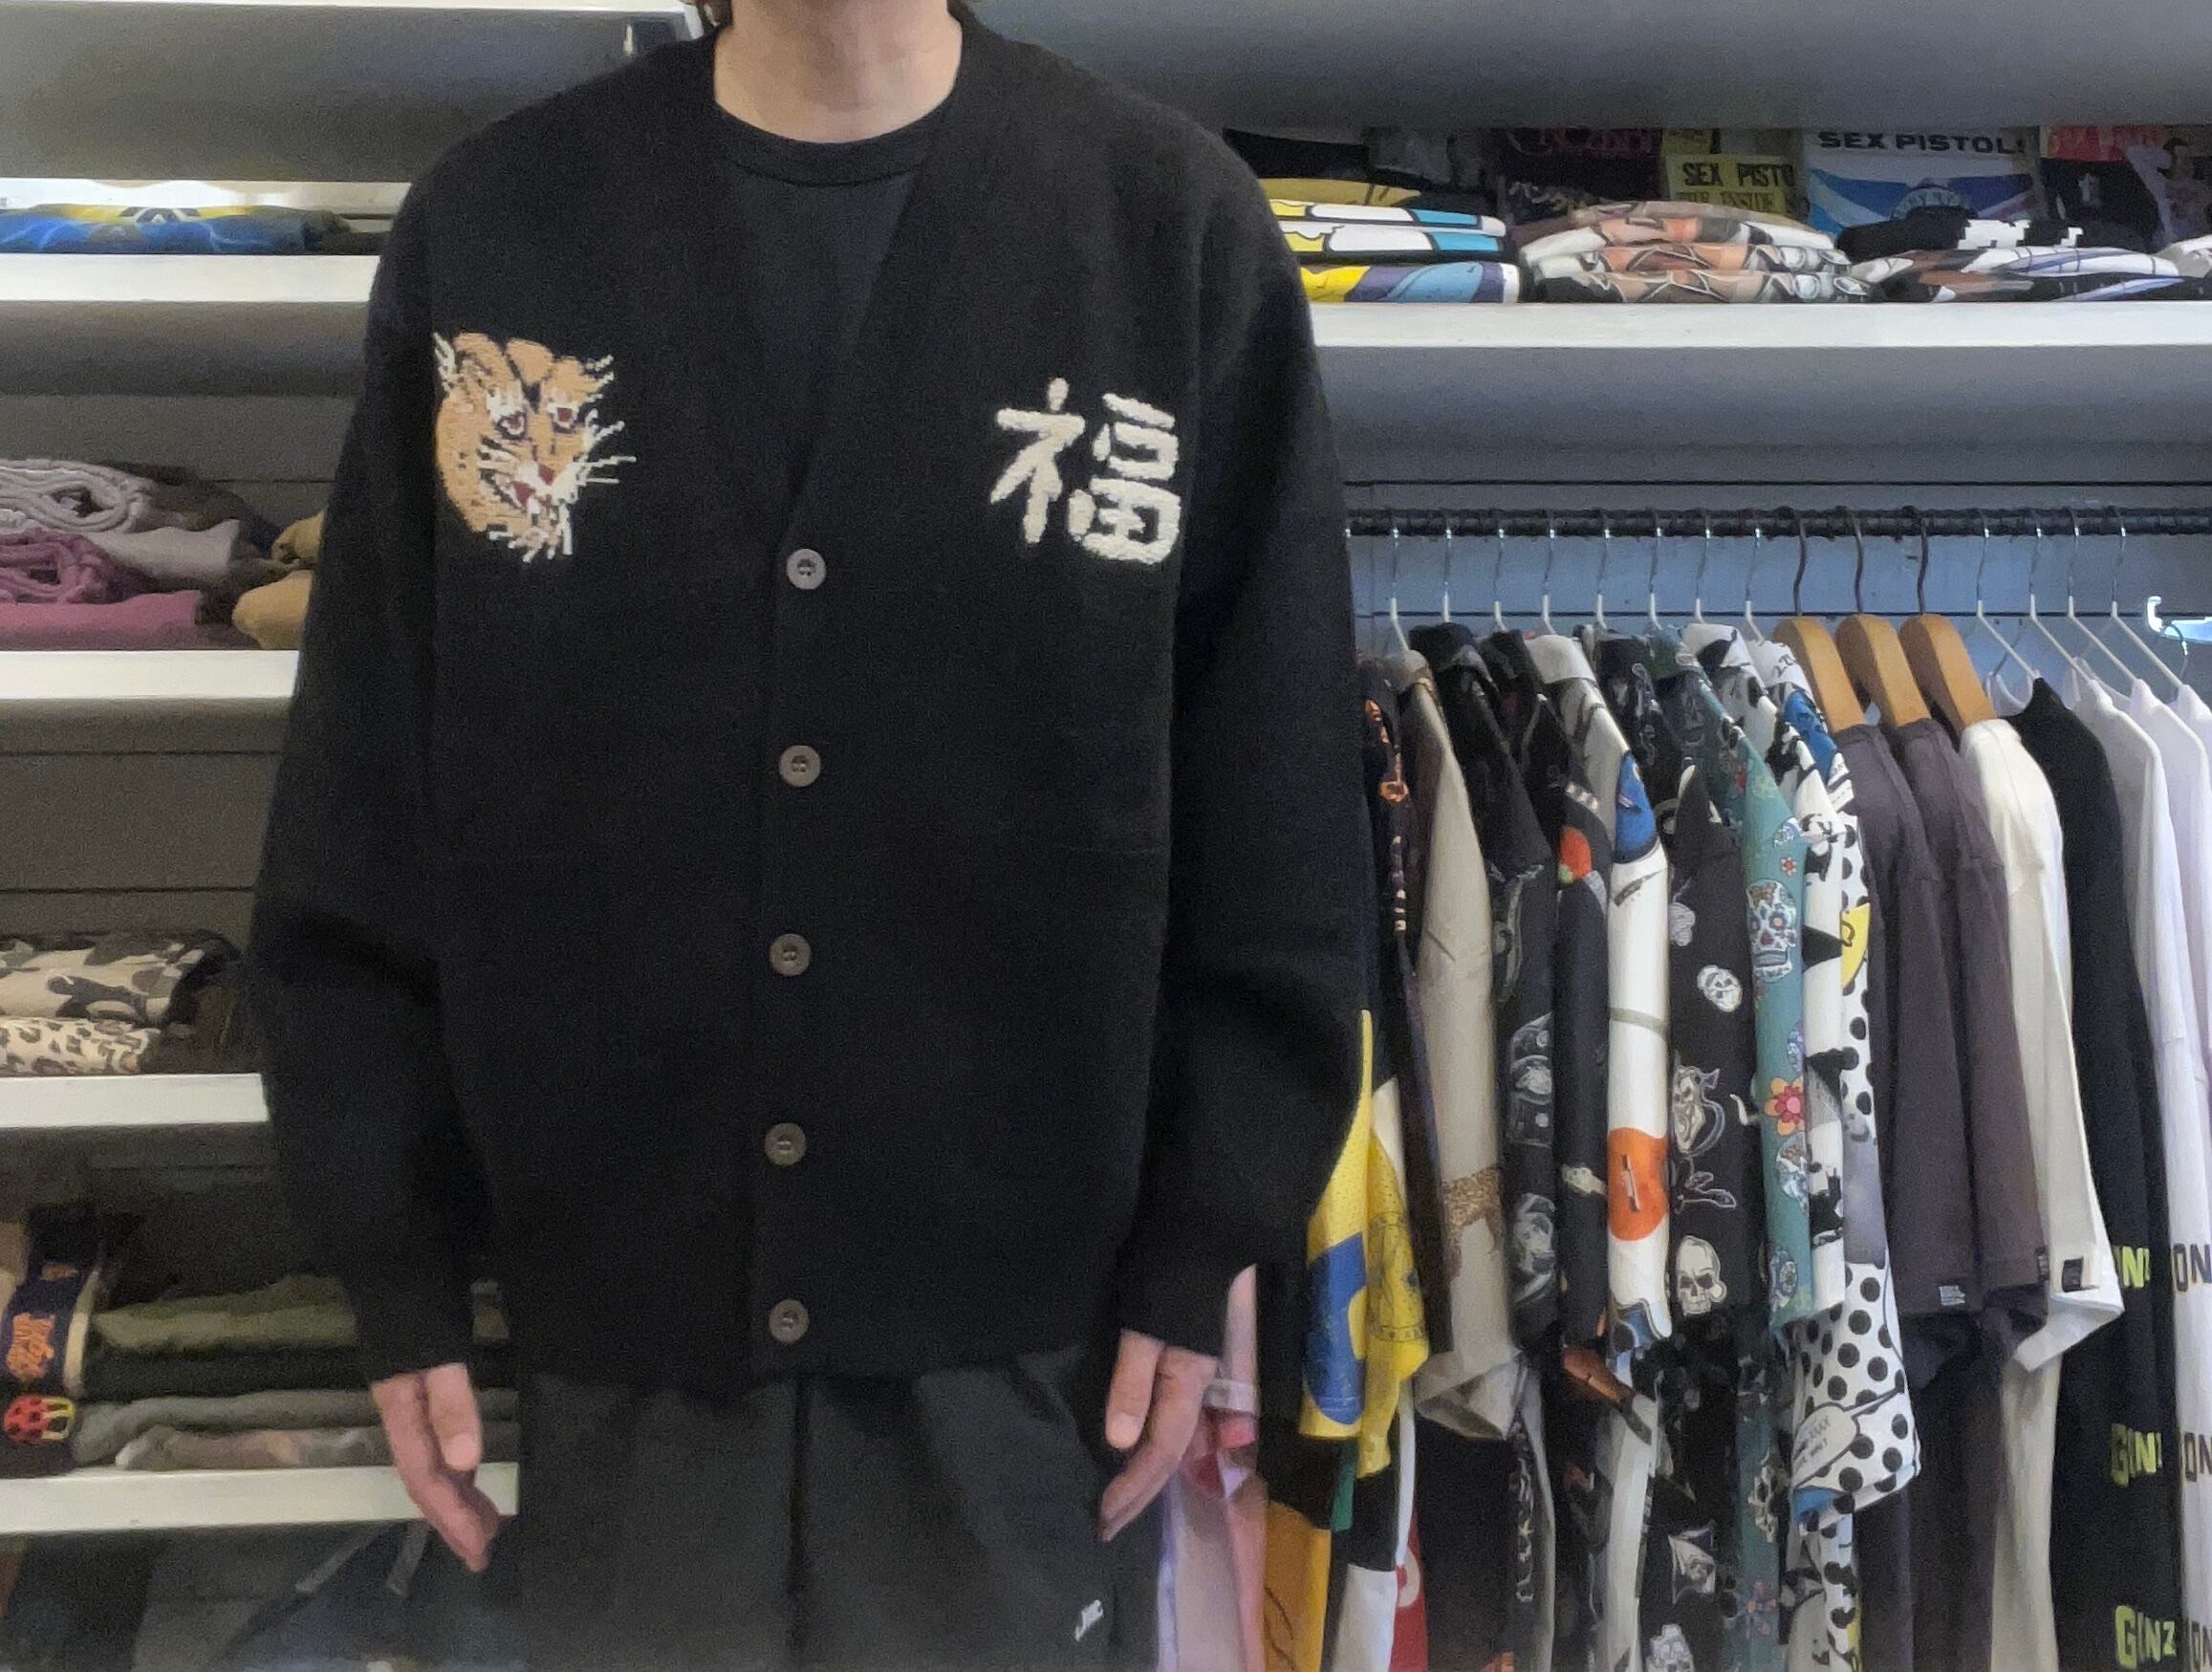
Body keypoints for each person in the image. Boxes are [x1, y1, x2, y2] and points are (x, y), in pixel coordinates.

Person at [246, 0, 1364, 1663]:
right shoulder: (499, 231)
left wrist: (1205, 1235)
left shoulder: (1165, 231)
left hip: (1025, 1357)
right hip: (614, 1346)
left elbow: (1271, 802)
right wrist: (394, 1258)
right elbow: (365, 788)